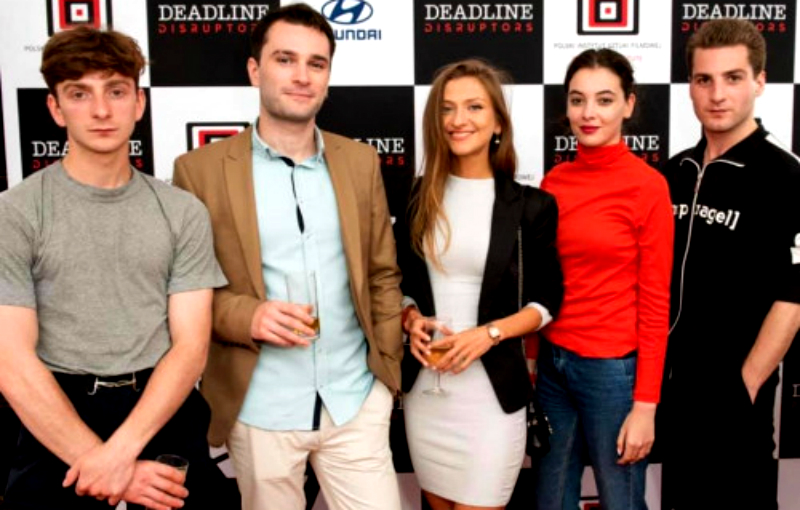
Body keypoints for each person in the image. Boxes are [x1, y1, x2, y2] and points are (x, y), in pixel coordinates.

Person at [171, 4, 404, 510]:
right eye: (285, 59)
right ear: (255, 70)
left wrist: (385, 376)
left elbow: (382, 274)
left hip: (354, 401)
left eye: (316, 63)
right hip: (261, 410)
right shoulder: (199, 170)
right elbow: (186, 292)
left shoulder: (359, 161)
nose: (302, 76)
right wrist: (248, 315)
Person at [0, 26, 227, 510]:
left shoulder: (182, 212)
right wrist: (103, 464)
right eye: (79, 94)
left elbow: (190, 348)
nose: (101, 110)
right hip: (56, 410)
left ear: (139, 103)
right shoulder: (14, 213)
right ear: (55, 108)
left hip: (161, 409)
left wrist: (117, 456)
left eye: (116, 91)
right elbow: (11, 361)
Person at [397, 59, 564, 510]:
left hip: (492, 395)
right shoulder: (416, 197)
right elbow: (399, 283)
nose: (458, 120)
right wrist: (409, 318)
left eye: (474, 107)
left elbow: (547, 300)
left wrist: (488, 334)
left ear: (498, 122)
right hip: (427, 393)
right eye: (447, 108)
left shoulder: (530, 205)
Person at [662, 18, 800, 510]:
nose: (717, 94)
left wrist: (747, 382)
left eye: (733, 78)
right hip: (672, 395)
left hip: (737, 398)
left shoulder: (785, 175)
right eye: (705, 79)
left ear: (760, 82)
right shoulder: (674, 171)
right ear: (690, 86)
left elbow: (795, 293)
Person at [535, 48, 674, 510]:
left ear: (628, 105)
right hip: (553, 365)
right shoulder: (555, 181)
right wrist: (534, 359)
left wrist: (645, 405)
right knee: (551, 500)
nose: (588, 113)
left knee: (621, 502)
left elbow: (656, 302)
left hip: (613, 374)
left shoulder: (647, 186)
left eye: (604, 99)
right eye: (578, 100)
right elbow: (541, 282)